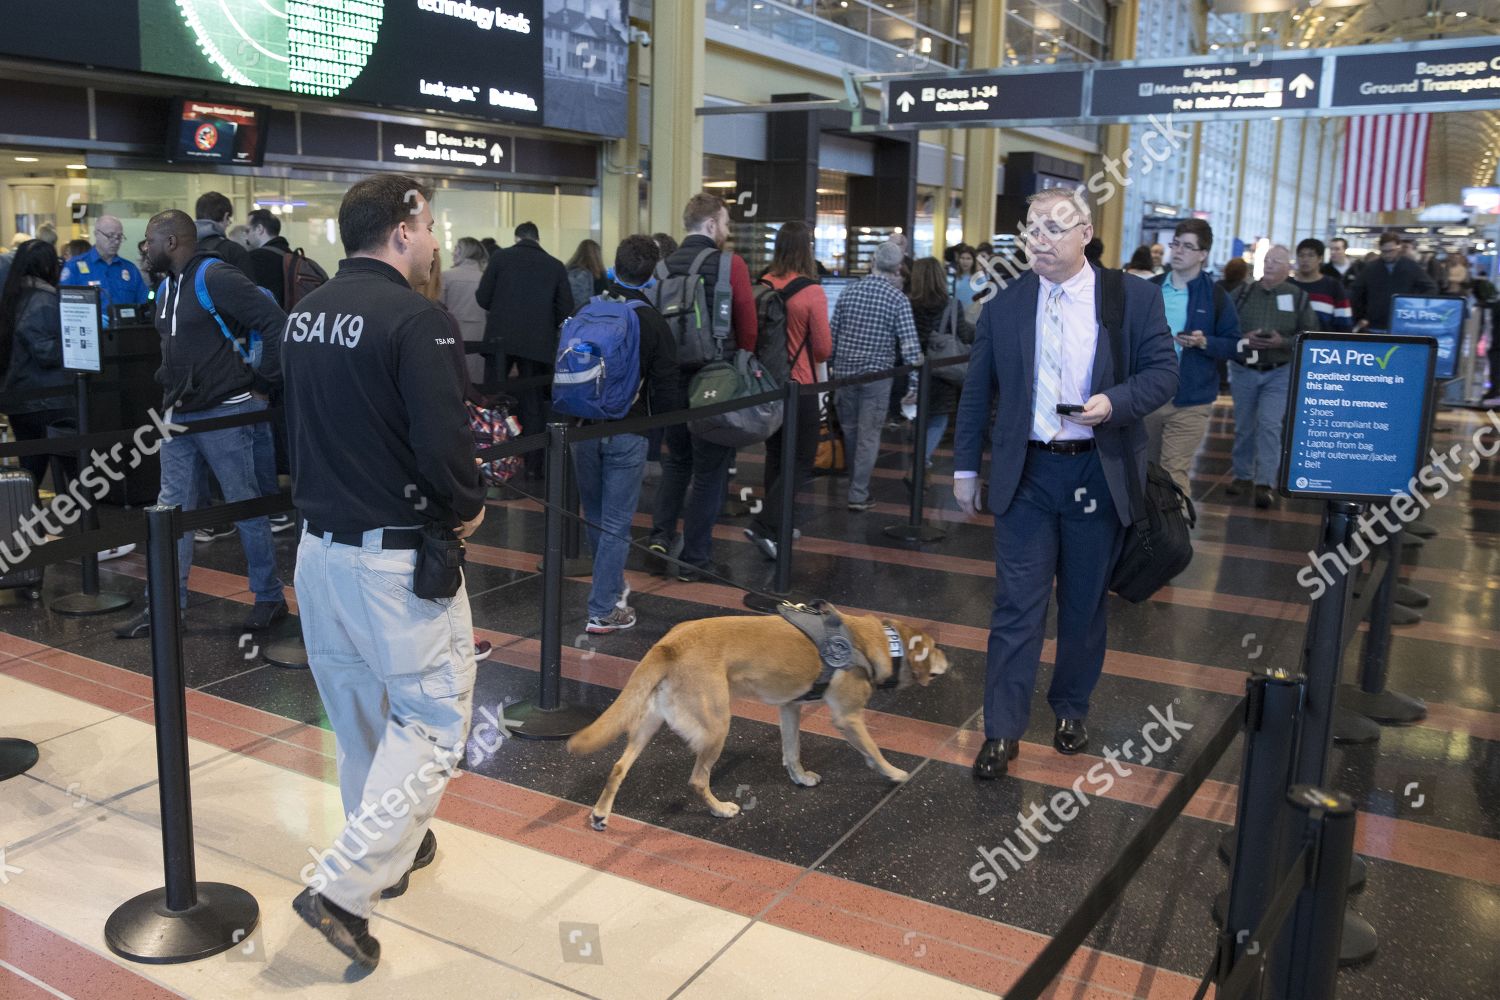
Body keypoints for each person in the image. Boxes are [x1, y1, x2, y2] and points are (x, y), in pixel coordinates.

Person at [279, 177, 484, 969]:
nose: (433, 241)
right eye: (428, 227)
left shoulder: (304, 315)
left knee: (359, 715)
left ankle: (384, 861)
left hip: (319, 554)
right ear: (401, 231)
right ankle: (342, 887)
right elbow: (444, 445)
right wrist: (469, 507)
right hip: (393, 561)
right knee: (433, 721)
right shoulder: (415, 320)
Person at [954, 189, 1176, 780]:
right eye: (1031, 229)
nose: (1039, 240)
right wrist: (964, 468)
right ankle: (1002, 729)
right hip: (1026, 473)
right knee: (1016, 607)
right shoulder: (1004, 306)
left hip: (1095, 470)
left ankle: (1071, 706)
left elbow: (1163, 374)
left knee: (1082, 604)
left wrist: (1115, 402)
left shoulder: (1131, 298)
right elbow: (978, 391)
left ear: (1085, 232)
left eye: (1054, 228)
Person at [113, 210, 288, 639]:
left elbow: (274, 321)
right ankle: (167, 608)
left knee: (245, 508)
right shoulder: (169, 284)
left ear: (172, 241)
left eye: (150, 241)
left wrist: (263, 384)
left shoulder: (214, 276)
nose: (145, 249)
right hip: (179, 415)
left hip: (227, 412)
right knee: (171, 513)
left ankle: (269, 598)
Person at [647, 193, 758, 580]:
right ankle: (695, 558)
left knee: (675, 462)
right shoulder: (731, 264)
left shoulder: (662, 269)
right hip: (715, 380)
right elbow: (748, 325)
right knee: (709, 470)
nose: (727, 231)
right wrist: (742, 362)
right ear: (711, 225)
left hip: (670, 380)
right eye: (725, 223)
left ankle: (659, 540)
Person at [569, 236, 678, 632]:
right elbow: (666, 388)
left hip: (582, 427)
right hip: (627, 431)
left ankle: (611, 588)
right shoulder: (651, 320)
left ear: (615, 266)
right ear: (652, 274)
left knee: (595, 516)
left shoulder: (588, 308)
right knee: (616, 521)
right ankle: (602, 608)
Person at [743, 221, 830, 560]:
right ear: (807, 248)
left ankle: (778, 525)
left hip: (767, 384)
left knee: (777, 456)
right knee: (802, 460)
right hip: (801, 384)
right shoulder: (812, 292)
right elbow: (823, 348)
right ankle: (766, 525)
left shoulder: (762, 284)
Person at [1144, 219, 1241, 496]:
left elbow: (1233, 344)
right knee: (1146, 470)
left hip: (1191, 399)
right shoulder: (1150, 289)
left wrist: (1204, 341)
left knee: (1173, 471)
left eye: (1187, 246)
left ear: (1202, 254)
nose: (1178, 251)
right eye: (1175, 244)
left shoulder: (1215, 296)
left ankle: (1175, 535)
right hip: (1149, 394)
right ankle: (1148, 536)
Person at [829, 240, 922, 512]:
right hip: (877, 377)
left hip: (845, 374)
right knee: (869, 435)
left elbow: (834, 335)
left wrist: (833, 370)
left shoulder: (849, 292)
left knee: (850, 430)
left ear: (873, 261)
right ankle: (858, 493)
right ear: (898, 267)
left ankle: (854, 482)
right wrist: (914, 384)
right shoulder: (897, 299)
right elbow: (910, 347)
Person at [474, 221, 572, 478]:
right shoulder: (555, 265)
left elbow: (483, 297)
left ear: (517, 238)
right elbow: (566, 309)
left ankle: (490, 459)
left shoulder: (500, 258)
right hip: (537, 344)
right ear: (537, 239)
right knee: (533, 404)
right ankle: (533, 464)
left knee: (493, 397)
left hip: (499, 341)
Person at [1225, 245, 1317, 509]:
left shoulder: (1298, 297)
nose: (1270, 264)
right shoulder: (1242, 293)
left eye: (1277, 261)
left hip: (1279, 371)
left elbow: (1309, 334)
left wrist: (1283, 341)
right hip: (1244, 369)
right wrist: (1244, 338)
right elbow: (1224, 328)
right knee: (1244, 426)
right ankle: (1242, 475)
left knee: (1269, 425)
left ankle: (1265, 483)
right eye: (1266, 260)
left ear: (1288, 268)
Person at [0, 241, 75, 488]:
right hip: (49, 401)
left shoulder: (12, 297)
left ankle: (26, 523)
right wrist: (74, 343)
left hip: (20, 398)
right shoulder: (43, 301)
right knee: (76, 471)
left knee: (30, 472)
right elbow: (47, 353)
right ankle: (88, 524)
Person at [908, 256, 972, 469]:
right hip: (945, 371)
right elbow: (962, 335)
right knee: (938, 418)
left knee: (918, 417)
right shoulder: (953, 305)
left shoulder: (908, 304)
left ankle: (919, 460)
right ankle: (921, 462)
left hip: (915, 370)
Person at [58, 215, 149, 325]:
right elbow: (65, 308)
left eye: (119, 237)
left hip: (124, 334)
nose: (116, 242)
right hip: (91, 335)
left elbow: (143, 304)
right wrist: (91, 320)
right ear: (96, 234)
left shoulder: (130, 269)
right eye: (110, 236)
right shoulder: (74, 267)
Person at [1350, 231, 1439, 332]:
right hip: (1374, 324)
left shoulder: (1411, 267)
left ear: (1399, 247)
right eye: (1384, 251)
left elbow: (1431, 288)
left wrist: (1415, 305)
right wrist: (1360, 316)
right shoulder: (1370, 269)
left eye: (1391, 251)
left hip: (1403, 322)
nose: (1387, 255)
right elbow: (1356, 293)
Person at [439, 237, 489, 386]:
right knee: (475, 378)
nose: (453, 253)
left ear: (464, 252)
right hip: (480, 333)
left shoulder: (447, 276)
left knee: (454, 376)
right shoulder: (485, 278)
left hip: (451, 333)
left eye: (456, 249)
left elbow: (439, 306)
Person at [1290, 238, 1352, 332]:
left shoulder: (1333, 286)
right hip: (1288, 344)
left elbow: (1344, 322)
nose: (1305, 260)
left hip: (1323, 344)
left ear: (1320, 258)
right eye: (1301, 255)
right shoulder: (1288, 285)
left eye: (1311, 255)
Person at [193, 192, 254, 272]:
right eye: (229, 219)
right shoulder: (233, 251)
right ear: (226, 216)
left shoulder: (183, 249)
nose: (229, 223)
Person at [244, 208, 293, 303]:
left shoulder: (256, 258)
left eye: (247, 230)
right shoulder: (289, 254)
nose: (246, 236)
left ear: (259, 229)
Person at [564, 238, 607, 311]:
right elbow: (605, 298)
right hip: (590, 316)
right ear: (597, 255)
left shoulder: (567, 270)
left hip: (569, 315)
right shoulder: (598, 275)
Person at [951, 243, 982, 316]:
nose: (965, 262)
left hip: (973, 316)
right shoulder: (954, 277)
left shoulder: (980, 278)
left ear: (974, 260)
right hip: (957, 314)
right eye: (962, 258)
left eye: (968, 258)